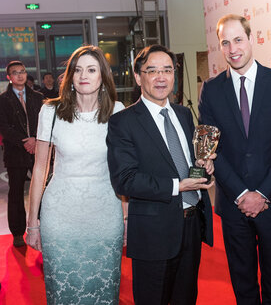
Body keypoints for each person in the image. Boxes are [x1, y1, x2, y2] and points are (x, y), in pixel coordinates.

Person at [199, 14, 271, 304]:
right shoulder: (211, 89)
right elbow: (213, 151)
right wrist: (242, 194)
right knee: (243, 288)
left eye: (238, 39)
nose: (232, 49)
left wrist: (262, 193)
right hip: (233, 203)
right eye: (225, 43)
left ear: (251, 39)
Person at [106, 44, 214, 305]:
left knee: (186, 298)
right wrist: (179, 185)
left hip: (191, 226)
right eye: (152, 71)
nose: (161, 77)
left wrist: (204, 166)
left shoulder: (184, 114)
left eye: (167, 70)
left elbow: (187, 161)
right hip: (153, 232)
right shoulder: (123, 122)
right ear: (137, 77)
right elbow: (125, 180)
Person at [25, 45, 125, 304]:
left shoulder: (117, 111)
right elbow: (40, 168)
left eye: (91, 69)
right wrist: (32, 222)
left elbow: (124, 170)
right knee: (63, 291)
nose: (84, 75)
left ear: (102, 75)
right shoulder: (51, 112)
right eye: (78, 70)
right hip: (60, 217)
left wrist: (126, 217)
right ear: (69, 76)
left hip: (105, 214)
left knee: (104, 289)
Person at [0, 61, 44, 247]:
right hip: (15, 152)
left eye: (22, 72)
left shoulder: (38, 97)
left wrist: (35, 139)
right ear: (9, 77)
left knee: (41, 191)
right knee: (16, 193)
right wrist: (24, 142)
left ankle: (44, 226)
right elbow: (4, 127)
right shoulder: (2, 100)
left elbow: (44, 122)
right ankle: (17, 232)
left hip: (38, 150)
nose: (20, 75)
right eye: (15, 73)